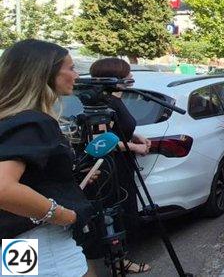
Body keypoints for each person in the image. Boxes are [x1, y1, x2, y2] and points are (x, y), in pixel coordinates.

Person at [0, 40, 93, 276]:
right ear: (46, 72)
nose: (76, 74)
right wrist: (62, 215)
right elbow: (3, 188)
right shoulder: (32, 122)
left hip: (17, 242)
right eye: (71, 68)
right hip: (44, 243)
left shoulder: (12, 120)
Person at [84, 58, 152, 274]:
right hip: (110, 172)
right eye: (127, 74)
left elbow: (118, 128)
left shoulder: (115, 101)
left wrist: (136, 136)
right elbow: (101, 142)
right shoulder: (102, 103)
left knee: (124, 215)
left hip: (122, 167)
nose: (131, 78)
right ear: (114, 78)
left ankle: (120, 259)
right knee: (115, 216)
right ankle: (118, 262)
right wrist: (133, 147)